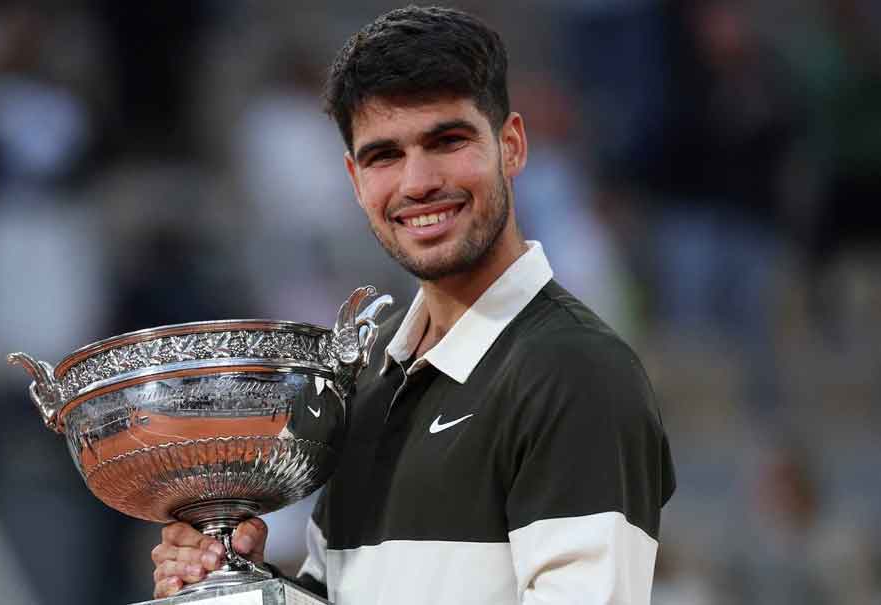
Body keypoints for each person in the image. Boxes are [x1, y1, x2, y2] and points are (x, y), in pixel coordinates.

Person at [151, 6, 675, 603]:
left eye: (447, 141)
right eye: (384, 156)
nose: (418, 182)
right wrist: (235, 584)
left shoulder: (576, 373)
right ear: (354, 178)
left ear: (511, 146)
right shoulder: (366, 380)